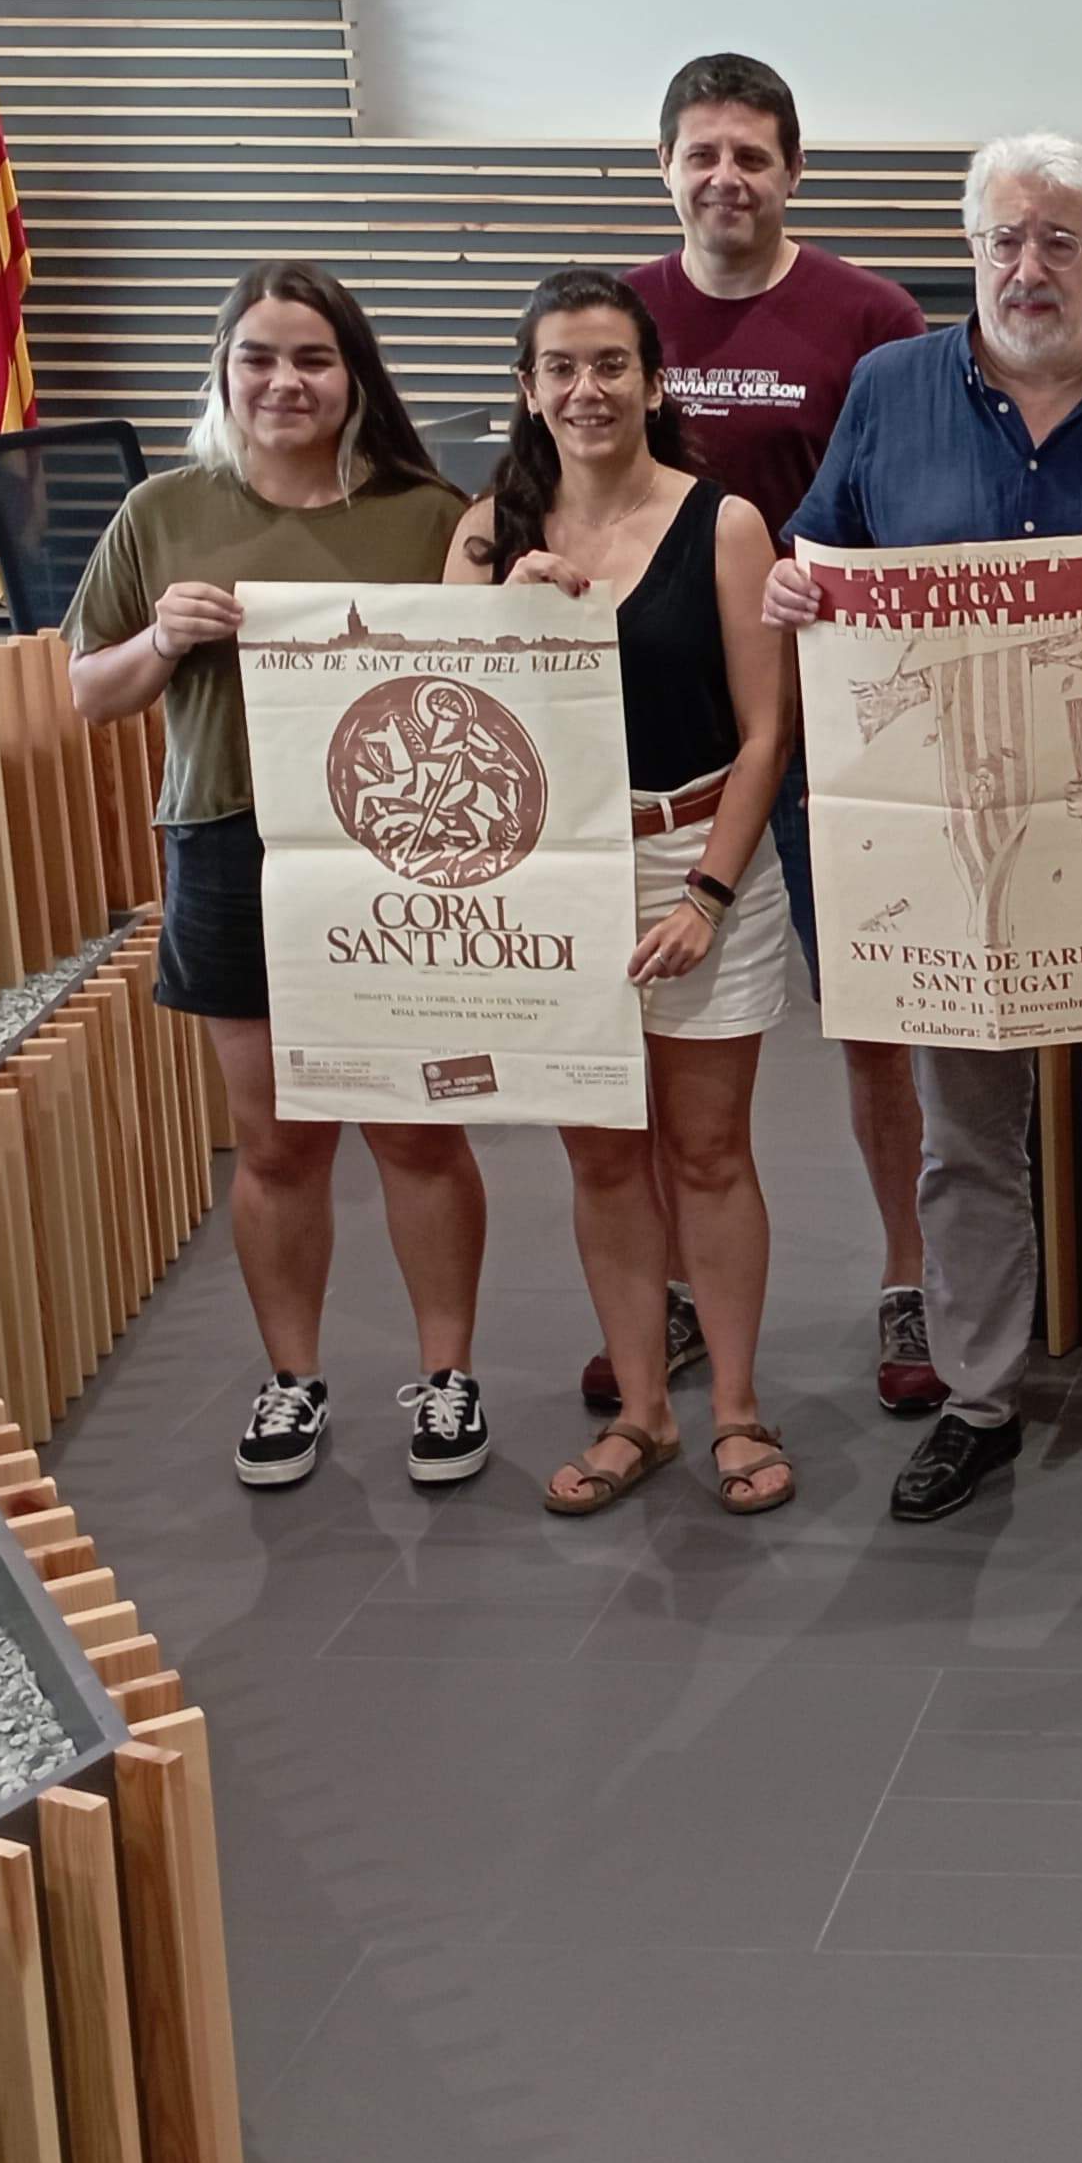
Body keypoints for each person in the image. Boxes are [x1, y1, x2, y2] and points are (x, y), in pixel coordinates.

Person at [765, 133, 1082, 1537]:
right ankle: (978, 1401)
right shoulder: (888, 390)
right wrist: (802, 597)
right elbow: (820, 556)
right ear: (970, 250)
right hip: (943, 845)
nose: (1027, 268)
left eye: (1057, 242)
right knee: (963, 1146)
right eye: (1004, 240)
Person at [62, 262, 490, 1492]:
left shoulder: (426, 513)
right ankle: (293, 1379)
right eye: (258, 356)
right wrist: (162, 637)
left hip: (393, 849)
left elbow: (491, 669)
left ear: (353, 375)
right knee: (276, 1142)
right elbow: (87, 690)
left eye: (311, 357)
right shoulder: (163, 511)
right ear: (225, 370)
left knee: (416, 1129)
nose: (284, 380)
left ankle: (447, 1378)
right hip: (228, 842)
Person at [446, 270, 801, 1520]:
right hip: (553, 874)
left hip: (699, 852)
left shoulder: (729, 522)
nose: (586, 391)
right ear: (528, 390)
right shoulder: (489, 531)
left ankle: (741, 1410)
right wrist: (505, 619)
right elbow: (456, 733)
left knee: (707, 1150)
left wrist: (706, 892)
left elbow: (768, 735)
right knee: (600, 1158)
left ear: (656, 382)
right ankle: (645, 1414)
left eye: (610, 365)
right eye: (560, 368)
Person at [617, 53, 938, 1419]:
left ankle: (910, 1280)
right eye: (702, 154)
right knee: (667, 1028)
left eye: (752, 155)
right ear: (667, 169)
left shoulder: (869, 316)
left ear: (793, 171)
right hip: (670, 742)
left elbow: (917, 509)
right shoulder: (622, 315)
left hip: (841, 732)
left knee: (873, 1022)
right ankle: (681, 1292)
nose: (726, 178)